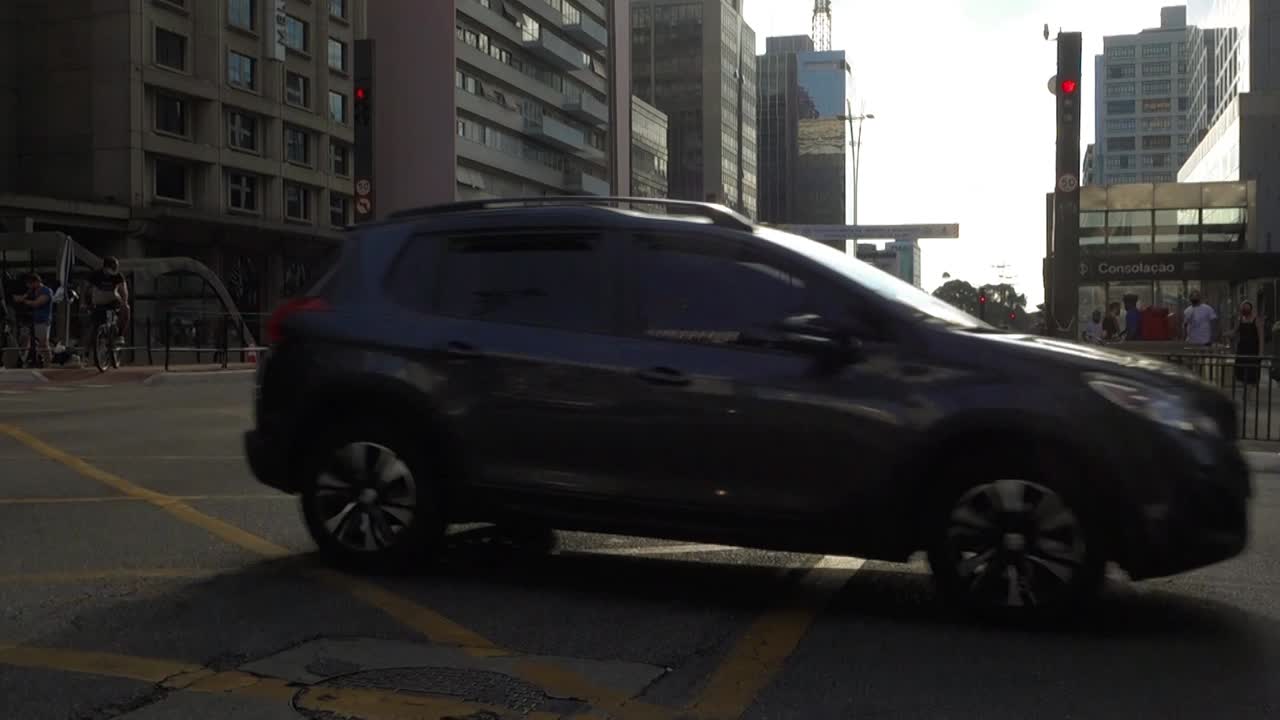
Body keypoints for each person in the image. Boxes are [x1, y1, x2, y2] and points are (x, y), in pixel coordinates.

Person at [11, 273, 53, 366]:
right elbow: (21, 298)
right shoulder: (32, 291)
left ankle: (49, 363)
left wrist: (24, 301)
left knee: (43, 343)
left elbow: (37, 303)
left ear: (36, 282)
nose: (28, 286)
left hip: (43, 320)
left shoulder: (46, 291)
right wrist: (16, 298)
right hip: (32, 320)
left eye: (29, 284)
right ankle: (22, 361)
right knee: (25, 340)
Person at [87, 257, 129, 345]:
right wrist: (86, 302)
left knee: (126, 309)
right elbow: (87, 289)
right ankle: (88, 349)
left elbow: (123, 290)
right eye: (113, 268)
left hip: (113, 299)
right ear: (105, 267)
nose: (115, 270)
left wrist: (124, 302)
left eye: (116, 268)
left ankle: (120, 335)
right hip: (99, 300)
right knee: (92, 324)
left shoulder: (118, 276)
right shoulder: (96, 275)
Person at [1233, 301, 1265, 385]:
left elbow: (1261, 337)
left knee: (1252, 374)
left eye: (1247, 307)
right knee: (1242, 373)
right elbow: (1234, 332)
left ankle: (1248, 394)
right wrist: (1224, 334)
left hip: (1253, 349)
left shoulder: (1256, 320)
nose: (1245, 309)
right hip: (1242, 349)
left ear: (1251, 309)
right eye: (1243, 307)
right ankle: (1245, 392)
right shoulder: (1240, 319)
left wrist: (1261, 352)